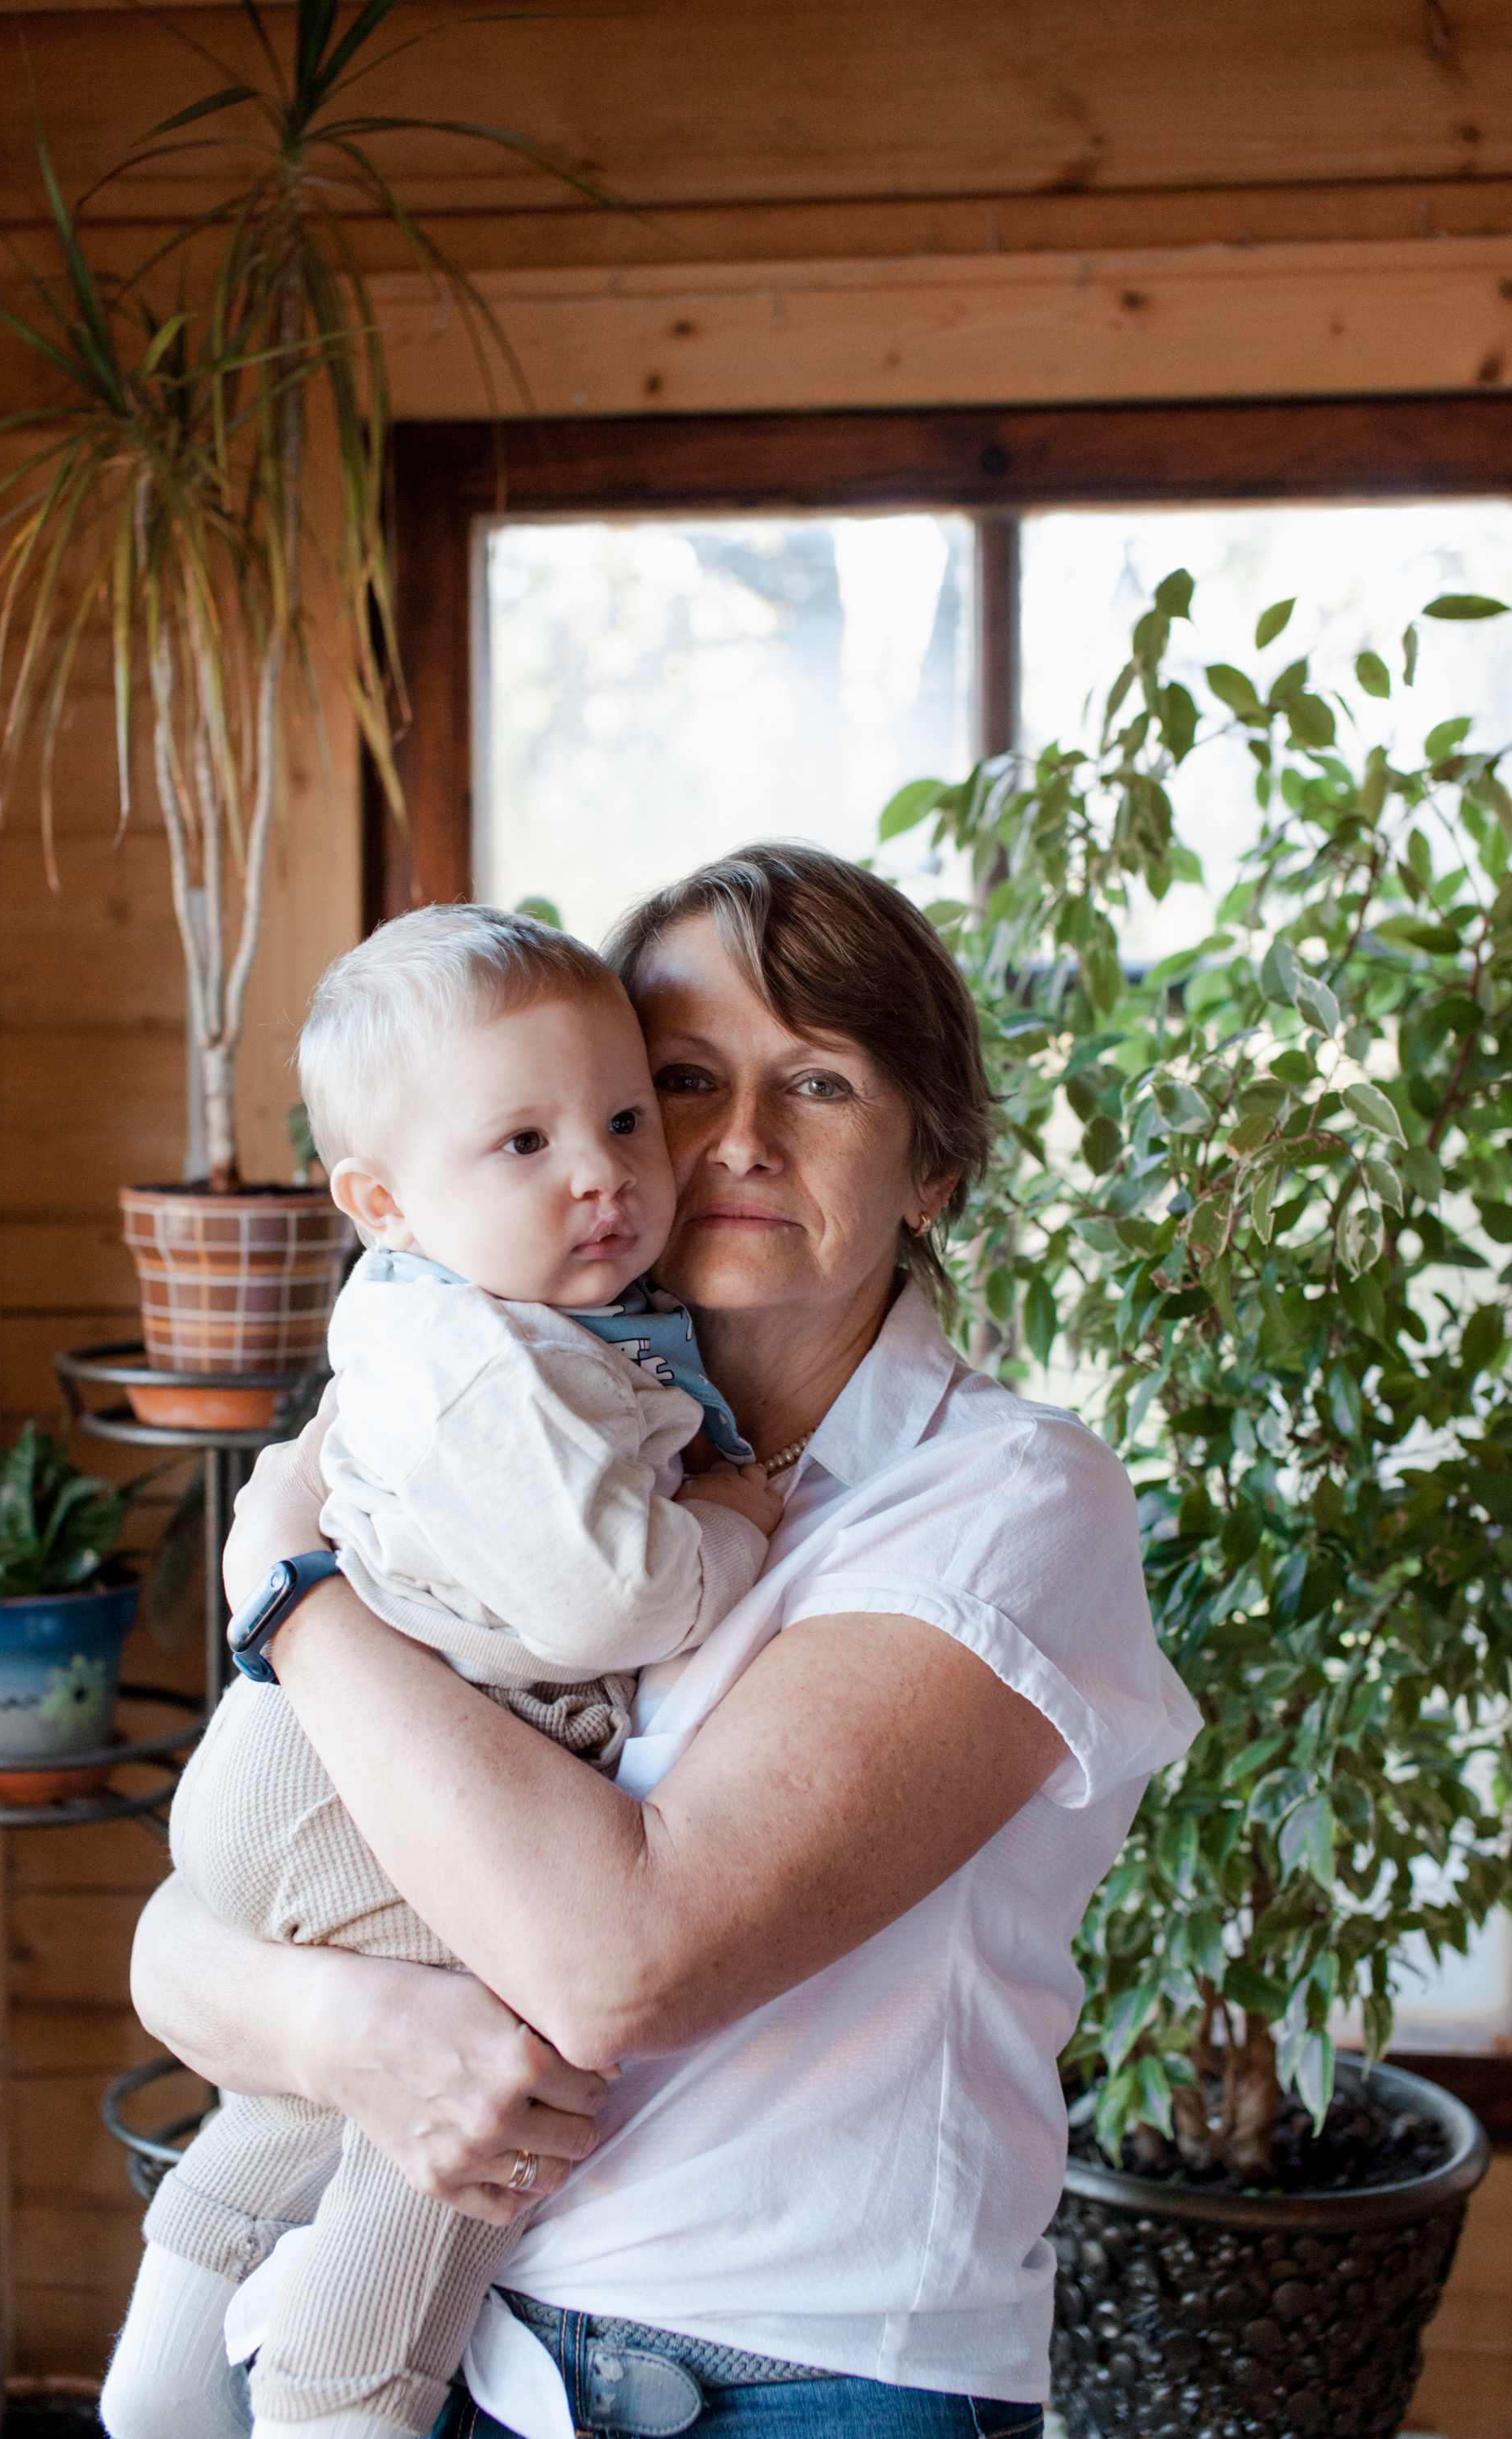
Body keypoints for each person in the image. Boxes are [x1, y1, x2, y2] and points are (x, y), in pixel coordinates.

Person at [123, 843, 1199, 2439]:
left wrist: (289, 1591)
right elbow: (187, 1938)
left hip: (791, 2378)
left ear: (931, 1170)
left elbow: (619, 1966)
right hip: (452, 2345)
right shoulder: (504, 1407)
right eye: (687, 1079)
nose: (740, 1139)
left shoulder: (1008, 1500)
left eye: (818, 1084)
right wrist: (350, 2027)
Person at [102, 909, 783, 2439]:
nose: (603, 1172)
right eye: (525, 1142)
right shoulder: (477, 1361)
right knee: (500, 2064)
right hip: (347, 1777)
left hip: (302, 1759)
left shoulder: (493, 1320)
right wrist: (734, 1525)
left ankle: (164, 2380)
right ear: (384, 1202)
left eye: (626, 1119)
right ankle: (344, 2403)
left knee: (302, 2096)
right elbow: (615, 1597)